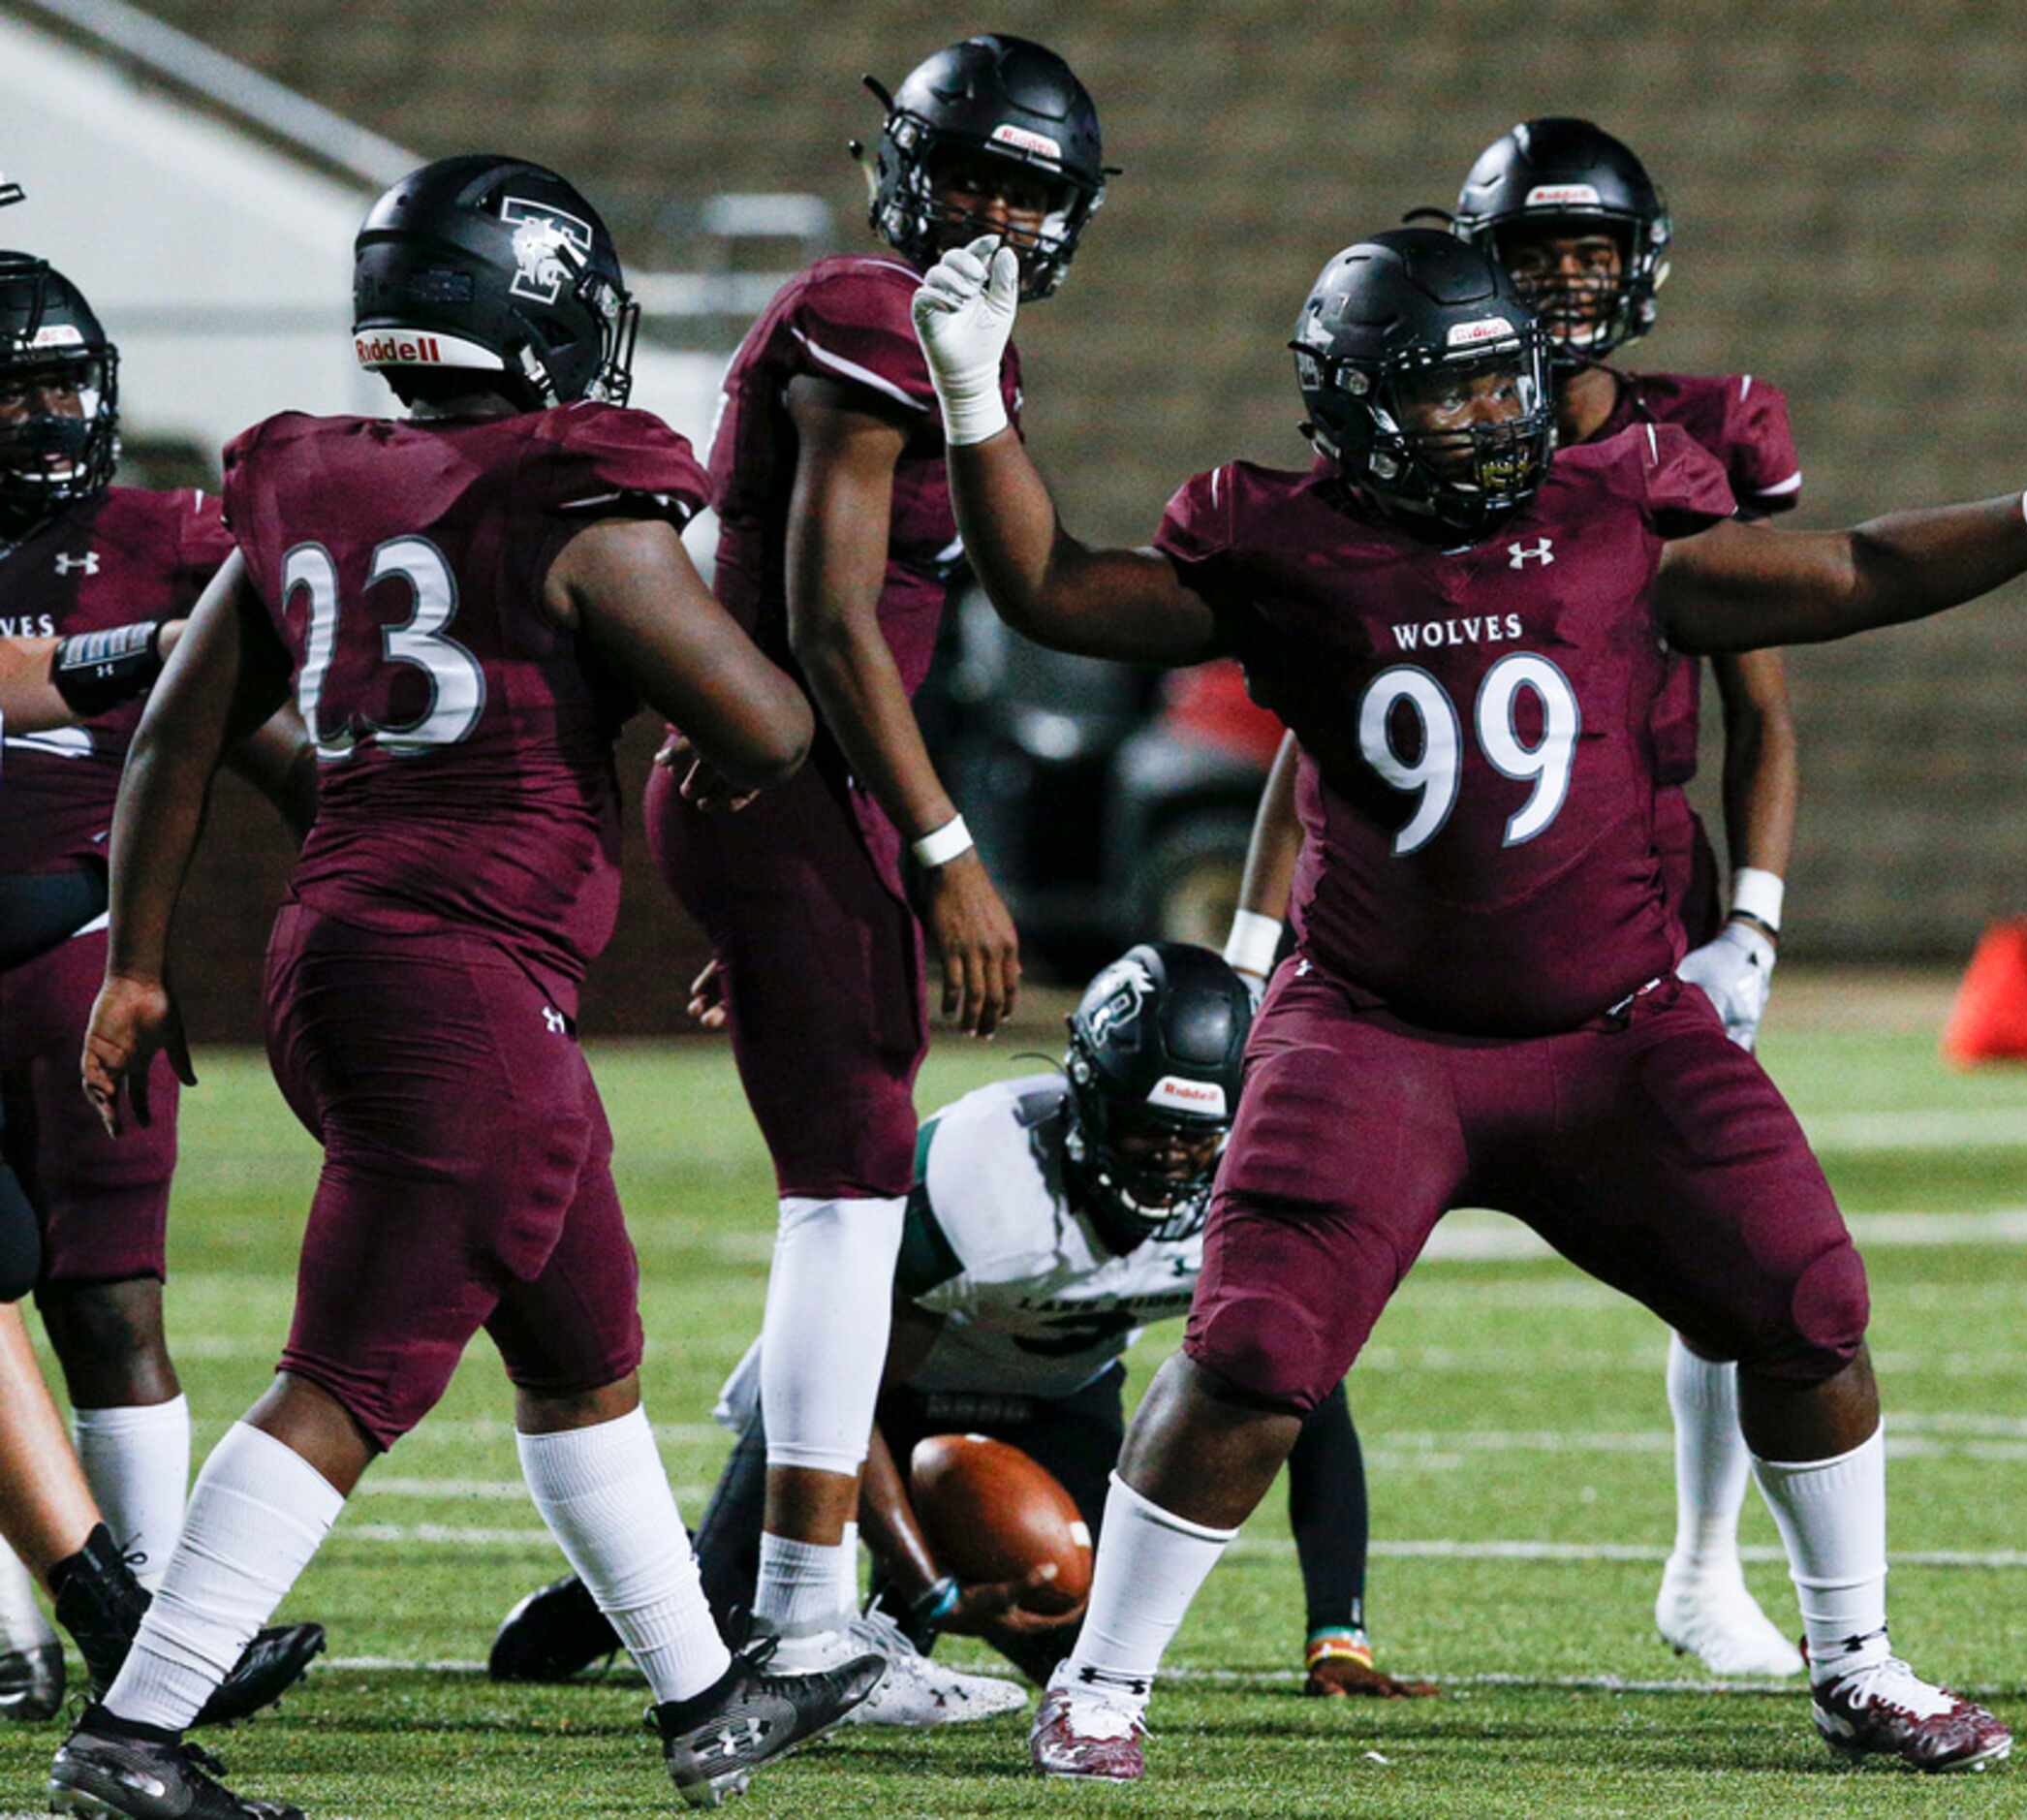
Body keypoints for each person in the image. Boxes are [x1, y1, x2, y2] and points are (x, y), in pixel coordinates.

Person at [909, 224, 2027, 1778]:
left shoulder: (1614, 514)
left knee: (1807, 1305)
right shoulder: (1282, 542)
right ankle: (1102, 1682)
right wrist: (965, 387)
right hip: (1372, 1036)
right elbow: (1054, 588)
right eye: (1448, 393)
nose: (1490, 417)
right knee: (1253, 1354)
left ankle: (1854, 1662)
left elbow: (1855, 570)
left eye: (1502, 385)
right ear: (1346, 408)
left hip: (1613, 1029)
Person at [55, 156, 887, 1818]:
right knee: (351, 1375)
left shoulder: (318, 479)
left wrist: (140, 965)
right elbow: (775, 726)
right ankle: (134, 1733)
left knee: (585, 1347)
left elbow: (172, 730)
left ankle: (710, 1694)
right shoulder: (566, 501)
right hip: (463, 982)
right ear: (544, 303)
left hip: (343, 947)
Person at [1222, 118, 1808, 1678]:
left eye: (1586, 256)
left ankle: (1706, 1565)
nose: (1561, 284)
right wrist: (1247, 930)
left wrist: (1747, 913)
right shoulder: (1424, 425)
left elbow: (1761, 699)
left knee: (1738, 1248)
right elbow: (1330, 721)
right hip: (1418, 902)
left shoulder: (1704, 431)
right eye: (1533, 255)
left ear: (1638, 268)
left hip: (1630, 881)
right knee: (1311, 1255)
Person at [640, 32, 1109, 1710]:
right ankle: (801, 1612)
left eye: (1027, 191)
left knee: (846, 1195)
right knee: (848, 1205)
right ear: (907, 169)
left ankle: (792, 1594)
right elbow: (836, 614)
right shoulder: (867, 308)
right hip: (820, 787)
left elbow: (736, 564)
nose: (993, 212)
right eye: (971, 174)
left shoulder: (921, 328)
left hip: (793, 794)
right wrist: (940, 853)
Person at [489, 944, 1436, 1704]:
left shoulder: (1244, 1196)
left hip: (1058, 1403)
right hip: (881, 1398)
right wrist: (927, 1585)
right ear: (1090, 1095)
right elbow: (842, 1387)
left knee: (1069, 1642)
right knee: (744, 1642)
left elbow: (1299, 1402)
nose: (1175, 1160)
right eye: (1151, 1129)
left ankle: (895, 1623)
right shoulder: (985, 1179)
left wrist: (1336, 1632)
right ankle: (661, 1587)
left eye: (1199, 1136)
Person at [0, 251, 324, 1720]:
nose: (44, 418)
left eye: (62, 384)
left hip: (68, 953)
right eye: (12, 393)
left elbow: (251, 738)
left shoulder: (159, 531)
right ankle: (37, 1628)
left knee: (106, 1296)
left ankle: (155, 1611)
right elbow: (60, 681)